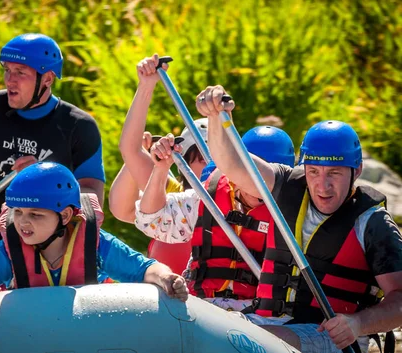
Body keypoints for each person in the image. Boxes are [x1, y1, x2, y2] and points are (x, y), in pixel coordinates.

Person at [198, 85, 402, 353]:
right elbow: (233, 164)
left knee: (242, 340)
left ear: (357, 170)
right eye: (314, 171)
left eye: (335, 173)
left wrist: (356, 323)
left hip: (330, 336)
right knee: (205, 332)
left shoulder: (373, 223)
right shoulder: (286, 184)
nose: (322, 185)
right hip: (265, 323)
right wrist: (216, 117)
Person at [0, 162, 188, 313]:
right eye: (17, 212)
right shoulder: (8, 248)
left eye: (35, 214)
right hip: (33, 334)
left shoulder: (94, 243)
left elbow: (145, 269)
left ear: (65, 215)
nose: (23, 222)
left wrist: (166, 277)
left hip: (85, 332)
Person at [0, 33, 105, 246]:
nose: (10, 80)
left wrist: (43, 180)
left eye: (20, 72)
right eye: (7, 70)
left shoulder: (79, 126)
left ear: (47, 78)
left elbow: (92, 197)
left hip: (44, 237)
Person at [134, 126, 295, 311]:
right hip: (203, 309)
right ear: (236, 170)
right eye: (249, 175)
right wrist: (161, 168)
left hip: (261, 316)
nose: (256, 185)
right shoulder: (207, 198)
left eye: (267, 179)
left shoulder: (295, 212)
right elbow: (151, 220)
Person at [108, 54, 210, 274]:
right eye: (200, 157)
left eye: (215, 156)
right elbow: (130, 150)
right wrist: (146, 86)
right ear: (185, 162)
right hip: (167, 301)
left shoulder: (238, 196)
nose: (210, 165)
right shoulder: (171, 193)